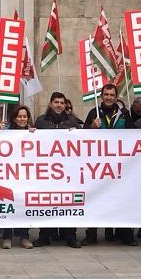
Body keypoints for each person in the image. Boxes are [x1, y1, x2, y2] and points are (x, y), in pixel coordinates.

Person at [82, 84, 137, 247]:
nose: (109, 97)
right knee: (94, 198)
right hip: (97, 166)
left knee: (122, 199)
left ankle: (126, 234)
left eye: (112, 94)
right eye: (106, 94)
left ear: (116, 96)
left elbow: (134, 135)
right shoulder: (94, 113)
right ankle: (91, 234)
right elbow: (82, 136)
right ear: (101, 96)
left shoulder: (124, 114)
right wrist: (91, 127)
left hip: (120, 165)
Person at [32, 91, 81, 249]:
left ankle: (70, 236)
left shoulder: (72, 121)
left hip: (68, 170)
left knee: (68, 202)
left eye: (62, 102)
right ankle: (45, 235)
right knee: (47, 202)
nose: (59, 105)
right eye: (56, 102)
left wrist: (78, 133)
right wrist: (31, 133)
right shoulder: (41, 121)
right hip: (47, 170)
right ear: (50, 104)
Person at [1, 105, 34, 249]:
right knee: (9, 205)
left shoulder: (32, 132)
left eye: (25, 116)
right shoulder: (6, 132)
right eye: (19, 116)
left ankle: (24, 236)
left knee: (24, 206)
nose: (22, 119)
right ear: (14, 118)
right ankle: (7, 237)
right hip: (9, 175)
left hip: (26, 176)